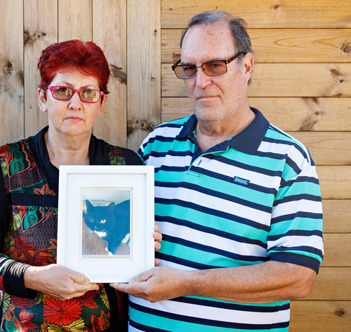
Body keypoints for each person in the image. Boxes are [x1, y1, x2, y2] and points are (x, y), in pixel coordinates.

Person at [111, 10, 324, 331]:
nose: (201, 81)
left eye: (215, 66)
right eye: (189, 68)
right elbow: (121, 235)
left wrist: (187, 283)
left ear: (247, 66)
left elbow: (297, 277)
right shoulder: (155, 145)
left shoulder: (288, 159)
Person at [0, 39, 161, 332]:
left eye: (88, 93)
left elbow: (135, 259)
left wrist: (142, 243)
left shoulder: (125, 166)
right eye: (63, 91)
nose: (75, 103)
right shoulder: (8, 164)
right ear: (43, 98)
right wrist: (31, 277)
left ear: (101, 103)